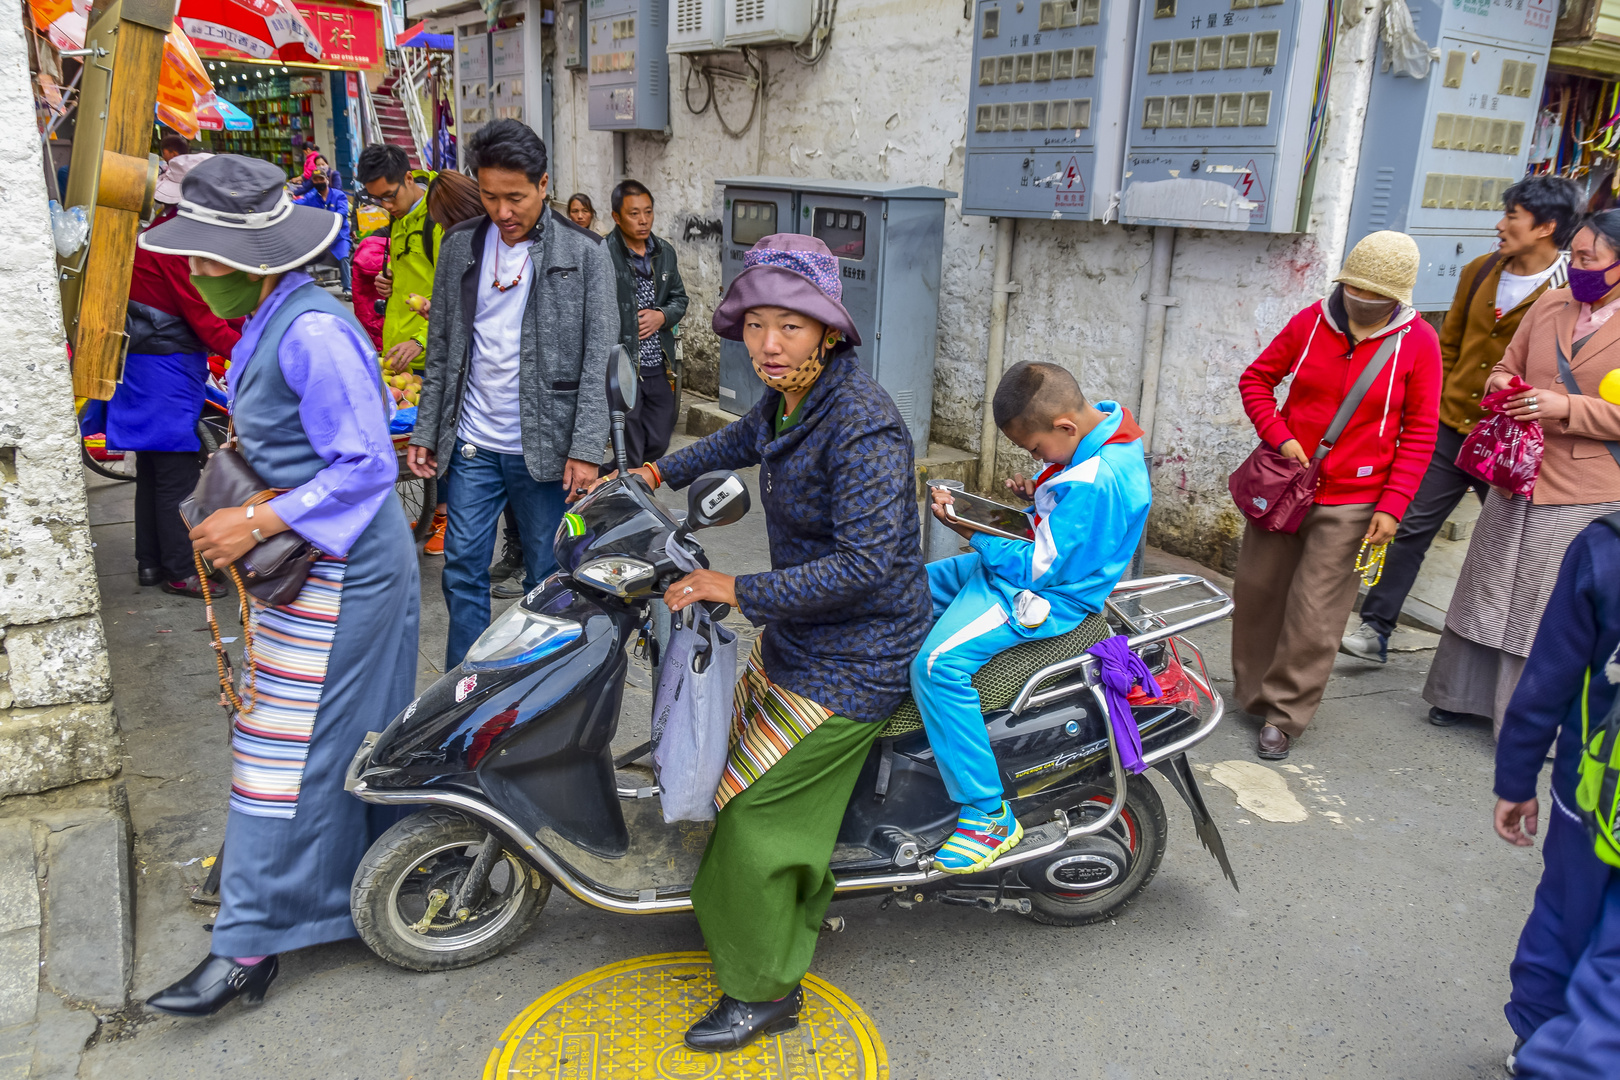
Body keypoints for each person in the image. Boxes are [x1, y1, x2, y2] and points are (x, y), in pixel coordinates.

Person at [600, 233, 931, 1053]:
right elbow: (740, 441)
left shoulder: (863, 426)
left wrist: (734, 589)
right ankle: (768, 902)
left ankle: (763, 990)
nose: (770, 345)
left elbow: (862, 565)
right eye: (756, 326)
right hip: (799, 641)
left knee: (750, 820)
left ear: (827, 331)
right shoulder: (796, 401)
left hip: (861, 651)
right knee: (719, 774)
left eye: (791, 326)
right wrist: (653, 473)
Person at [138, 155, 419, 1016]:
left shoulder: (312, 331)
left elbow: (368, 462)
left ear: (254, 259)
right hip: (317, 565)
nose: (196, 271)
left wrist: (256, 522)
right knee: (315, 740)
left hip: (349, 570)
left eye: (208, 258)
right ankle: (334, 898)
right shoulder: (279, 314)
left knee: (286, 748)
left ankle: (250, 942)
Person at [916, 362, 1150, 871]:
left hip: (1044, 597)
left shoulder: (1094, 482)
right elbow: (1064, 515)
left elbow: (1034, 571)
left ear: (1065, 426)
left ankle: (986, 813)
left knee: (935, 667)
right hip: (1022, 566)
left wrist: (971, 530)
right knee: (902, 590)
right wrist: (1041, 490)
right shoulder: (1104, 431)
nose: (1035, 456)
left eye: (1036, 449)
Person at [1343, 177, 1580, 664]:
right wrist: (1434, 406)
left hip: (1514, 440)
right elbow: (1447, 344)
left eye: (1512, 215)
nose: (1501, 224)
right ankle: (1375, 628)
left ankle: (1489, 654)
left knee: (1506, 545)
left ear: (1546, 227)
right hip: (1451, 427)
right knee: (1409, 526)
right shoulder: (1479, 271)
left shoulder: (1569, 291)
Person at [407, 119, 616, 668]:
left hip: (546, 450)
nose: (503, 211)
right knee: (463, 568)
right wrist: (428, 428)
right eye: (490, 196)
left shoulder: (586, 253)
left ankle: (540, 686)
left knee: (549, 576)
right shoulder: (460, 246)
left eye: (516, 198)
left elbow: (600, 357)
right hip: (475, 443)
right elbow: (444, 345)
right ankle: (463, 687)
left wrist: (587, 447)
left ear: (544, 185)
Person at [1231, 231, 1441, 760]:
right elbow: (1256, 380)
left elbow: (1419, 432)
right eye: (1355, 291)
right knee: (1257, 592)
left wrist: (1393, 507)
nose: (1362, 303)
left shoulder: (1419, 343)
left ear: (1398, 298)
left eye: (1376, 297)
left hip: (1356, 499)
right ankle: (1252, 693)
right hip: (1285, 485)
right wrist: (1281, 436)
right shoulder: (1309, 323)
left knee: (1315, 612)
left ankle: (1284, 713)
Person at [1425, 210, 1620, 735]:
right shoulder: (1552, 302)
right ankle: (1460, 695)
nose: (1575, 267)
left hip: (1587, 485)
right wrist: (1501, 386)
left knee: (1545, 600)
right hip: (1517, 468)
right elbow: (1504, 364)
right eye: (1573, 255)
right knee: (1484, 584)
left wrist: (1566, 409)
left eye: (1588, 259)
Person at [1490, 516, 1620, 1075]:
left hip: (1592, 792)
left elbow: (1550, 676)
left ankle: (1535, 1036)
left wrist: (1516, 781)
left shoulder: (1606, 547)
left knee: (1566, 909)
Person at [109, 152, 240, 597]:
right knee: (175, 471)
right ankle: (183, 570)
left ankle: (151, 562)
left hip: (148, 365)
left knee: (154, 466)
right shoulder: (173, 242)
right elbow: (206, 315)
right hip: (162, 368)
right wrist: (253, 349)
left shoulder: (158, 234)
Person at [607, 179, 687, 467]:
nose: (643, 220)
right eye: (634, 213)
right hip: (622, 365)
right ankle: (630, 499)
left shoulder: (664, 252)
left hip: (656, 363)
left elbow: (680, 298)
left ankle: (608, 477)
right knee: (630, 444)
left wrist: (662, 316)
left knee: (659, 436)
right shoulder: (604, 254)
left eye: (648, 212)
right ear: (616, 217)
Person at [356, 143, 440, 376]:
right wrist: (390, 278)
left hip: (428, 358)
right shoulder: (400, 215)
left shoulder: (440, 218)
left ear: (409, 178)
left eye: (389, 196)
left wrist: (421, 340)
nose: (387, 206)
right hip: (399, 353)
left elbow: (457, 293)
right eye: (377, 199)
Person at [293, 167, 353, 295]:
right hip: (320, 238)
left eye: (321, 179)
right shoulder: (311, 197)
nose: (318, 181)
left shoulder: (339, 195)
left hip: (339, 237)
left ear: (326, 179)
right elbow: (298, 204)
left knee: (343, 257)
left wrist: (330, 220)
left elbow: (342, 213)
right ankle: (302, 288)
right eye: (315, 179)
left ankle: (347, 288)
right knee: (301, 256)